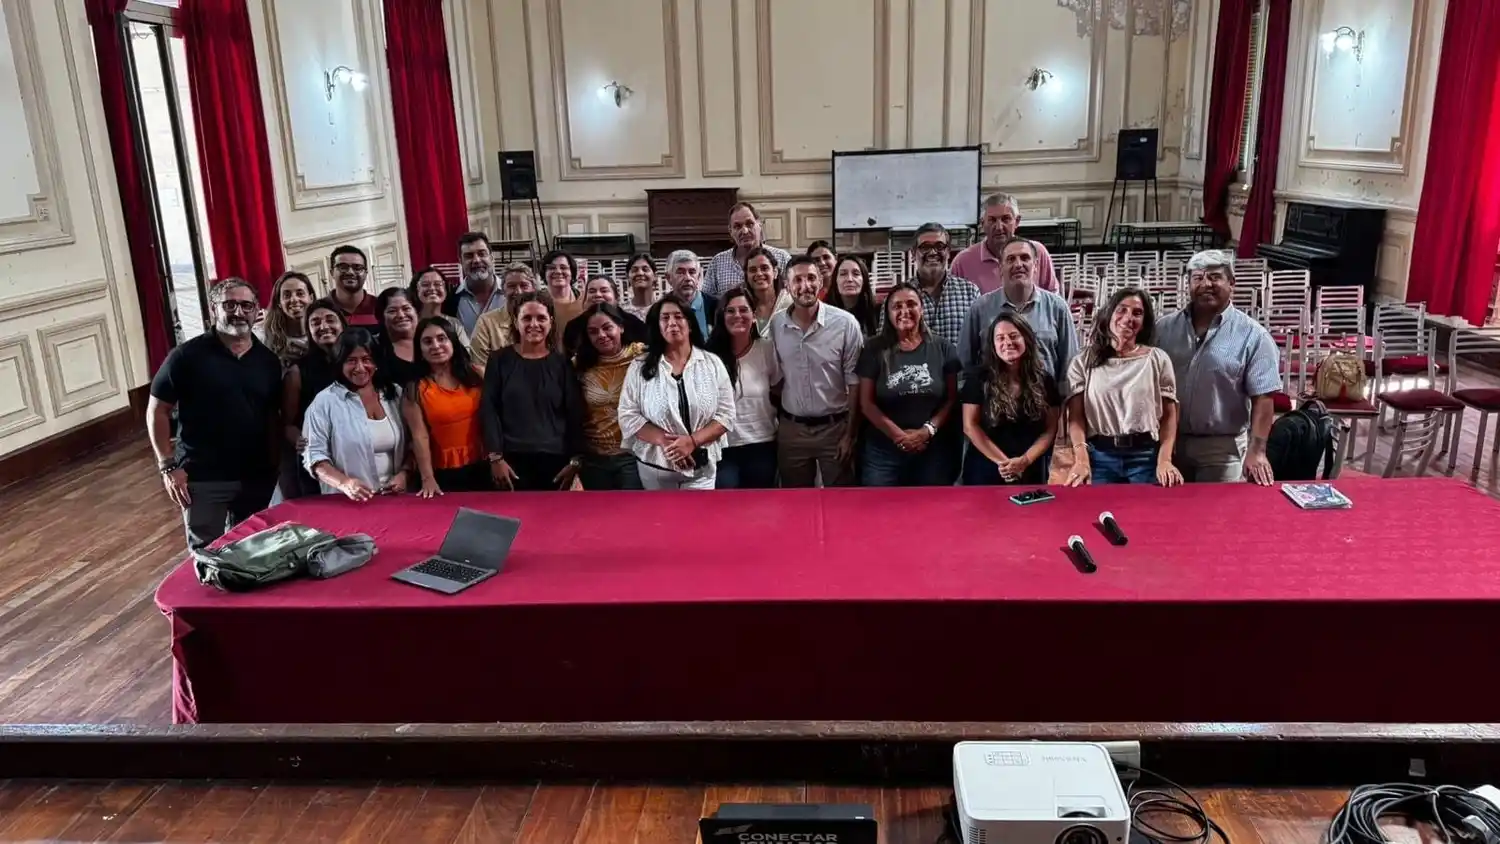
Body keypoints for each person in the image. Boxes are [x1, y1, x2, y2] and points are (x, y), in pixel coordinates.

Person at [147, 279, 282, 550]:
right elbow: (157, 410)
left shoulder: (268, 361)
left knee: (252, 550)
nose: (239, 312)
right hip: (203, 476)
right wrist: (168, 466)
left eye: (246, 305)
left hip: (255, 476)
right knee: (207, 554)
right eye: (229, 305)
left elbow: (271, 417)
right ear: (213, 309)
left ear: (257, 310)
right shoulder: (185, 357)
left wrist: (274, 468)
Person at [1156, 250, 1282, 485]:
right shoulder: (1163, 329)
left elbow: (1263, 399)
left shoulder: (1254, 336)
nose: (1206, 284)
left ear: (1231, 283)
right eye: (1198, 277)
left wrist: (1257, 451)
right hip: (1168, 444)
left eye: (1215, 277)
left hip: (1222, 450)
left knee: (1217, 509)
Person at [1064, 287, 1183, 487]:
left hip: (1146, 457)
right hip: (1099, 456)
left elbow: (1169, 416)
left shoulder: (1158, 359)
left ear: (1144, 322)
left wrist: (1165, 460)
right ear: (1109, 314)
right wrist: (1081, 460)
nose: (1128, 318)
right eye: (1122, 310)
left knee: (1149, 508)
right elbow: (1076, 418)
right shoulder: (1083, 362)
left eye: (1137, 313)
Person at [618, 296, 736, 490]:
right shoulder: (639, 366)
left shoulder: (712, 363)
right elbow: (628, 415)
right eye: (665, 318)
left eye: (678, 316)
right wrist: (669, 444)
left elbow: (726, 414)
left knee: (700, 511)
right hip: (655, 470)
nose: (672, 322)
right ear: (658, 327)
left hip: (701, 469)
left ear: (689, 324)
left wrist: (691, 442)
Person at [769, 255, 865, 487]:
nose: (806, 285)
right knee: (794, 499)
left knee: (841, 498)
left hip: (835, 428)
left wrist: (850, 434)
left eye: (811, 278)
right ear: (787, 285)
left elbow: (855, 383)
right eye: (798, 280)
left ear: (821, 281)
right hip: (793, 430)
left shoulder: (845, 323)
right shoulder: (777, 325)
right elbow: (775, 377)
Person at [856, 283, 961, 486]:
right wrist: (900, 437)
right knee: (879, 505)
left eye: (911, 304)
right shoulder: (873, 349)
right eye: (897, 306)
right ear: (888, 314)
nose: (905, 311)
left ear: (922, 309)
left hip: (932, 450)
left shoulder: (943, 348)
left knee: (932, 505)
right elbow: (866, 404)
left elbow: (951, 399)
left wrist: (927, 431)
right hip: (883, 452)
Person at [480, 291, 585, 491]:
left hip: (556, 461)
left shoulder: (562, 364)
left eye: (541, 318)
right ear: (516, 322)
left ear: (551, 321)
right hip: (509, 462)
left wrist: (575, 461)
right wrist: (495, 457)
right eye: (527, 318)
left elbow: (574, 413)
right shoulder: (499, 360)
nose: (534, 324)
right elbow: (489, 410)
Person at [303, 328, 408, 500]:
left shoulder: (395, 394)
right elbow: (314, 457)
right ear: (340, 364)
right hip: (346, 502)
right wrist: (345, 483)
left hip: (395, 500)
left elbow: (415, 443)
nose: (360, 368)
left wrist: (405, 474)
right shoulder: (324, 402)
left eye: (367, 359)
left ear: (376, 362)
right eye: (351, 361)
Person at [960, 236, 1079, 388]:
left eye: (1025, 258)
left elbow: (1070, 364)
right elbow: (965, 364)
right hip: (993, 399)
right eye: (1010, 259)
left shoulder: (1057, 308)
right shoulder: (979, 309)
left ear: (1035, 266)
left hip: (1046, 399)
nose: (1018, 264)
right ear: (1000, 268)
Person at [960, 312, 1061, 485]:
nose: (1007, 342)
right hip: (986, 468)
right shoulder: (978, 378)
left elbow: (1050, 429)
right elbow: (970, 426)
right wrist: (1005, 464)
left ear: (1026, 339)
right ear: (993, 345)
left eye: (1014, 336)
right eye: (1000, 338)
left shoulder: (1045, 380)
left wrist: (1025, 461)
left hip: (1030, 468)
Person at [403, 317, 489, 496]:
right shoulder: (414, 389)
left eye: (441, 338)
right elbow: (419, 437)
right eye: (428, 341)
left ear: (453, 342)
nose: (436, 346)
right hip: (442, 474)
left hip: (485, 465)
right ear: (420, 350)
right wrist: (427, 478)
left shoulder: (478, 374)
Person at [706, 287, 782, 488]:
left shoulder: (767, 349)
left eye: (743, 310)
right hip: (723, 446)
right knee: (727, 501)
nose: (737, 315)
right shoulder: (709, 356)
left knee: (760, 503)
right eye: (730, 311)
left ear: (754, 315)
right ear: (722, 316)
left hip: (762, 443)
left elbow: (778, 391)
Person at [277, 298, 346, 500]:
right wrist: (299, 440)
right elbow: (287, 423)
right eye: (315, 323)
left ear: (342, 324)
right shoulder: (298, 372)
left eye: (330, 320)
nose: (323, 327)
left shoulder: (358, 364)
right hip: (317, 463)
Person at [573, 304, 647, 490]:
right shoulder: (579, 365)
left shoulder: (642, 356)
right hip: (594, 459)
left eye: (607, 328)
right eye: (593, 332)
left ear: (620, 327)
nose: (601, 335)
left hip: (634, 455)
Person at [888, 223, 981, 349]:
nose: (933, 252)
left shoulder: (970, 292)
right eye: (925, 247)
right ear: (913, 253)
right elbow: (886, 347)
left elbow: (981, 342)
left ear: (948, 252)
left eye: (939, 246)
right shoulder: (896, 298)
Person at [950, 193, 1059, 294]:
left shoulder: (1037, 252)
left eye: (1005, 219)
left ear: (1017, 221)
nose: (999, 227)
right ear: (983, 224)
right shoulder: (963, 262)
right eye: (992, 220)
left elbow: (1053, 298)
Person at [703, 202, 792, 297]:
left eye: (750, 224)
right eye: (737, 226)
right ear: (730, 231)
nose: (744, 231)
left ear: (759, 225)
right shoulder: (718, 263)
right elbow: (706, 299)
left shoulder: (782, 258)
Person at [469, 262, 542, 370]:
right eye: (511, 286)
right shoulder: (486, 323)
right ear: (503, 290)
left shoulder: (544, 320)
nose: (518, 291)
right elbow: (479, 366)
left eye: (524, 285)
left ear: (533, 289)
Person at [562, 274, 646, 358]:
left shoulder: (634, 324)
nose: (598, 295)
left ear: (616, 297)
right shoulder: (573, 327)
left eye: (604, 290)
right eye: (592, 291)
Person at [451, 231, 504, 335]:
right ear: (460, 261)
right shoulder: (451, 301)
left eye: (481, 254)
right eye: (469, 256)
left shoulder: (511, 293)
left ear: (492, 258)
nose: (476, 260)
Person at [258, 271, 313, 365]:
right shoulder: (263, 337)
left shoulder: (321, 332)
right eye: (287, 295)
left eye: (300, 293)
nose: (294, 300)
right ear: (279, 303)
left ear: (311, 298)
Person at [375, 287, 424, 387]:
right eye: (392, 311)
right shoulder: (374, 347)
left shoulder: (433, 340)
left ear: (416, 312)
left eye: (406, 308)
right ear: (382, 316)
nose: (401, 315)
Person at [410, 266, 469, 347]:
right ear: (416, 291)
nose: (432, 288)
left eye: (437, 284)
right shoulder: (409, 323)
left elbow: (466, 353)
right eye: (425, 284)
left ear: (446, 290)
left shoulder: (454, 324)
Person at [822, 254, 879, 337]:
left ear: (864, 280)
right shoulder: (823, 314)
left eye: (856, 274)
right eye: (843, 274)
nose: (849, 279)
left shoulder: (877, 314)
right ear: (835, 280)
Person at [743, 245, 792, 337]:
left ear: (775, 272)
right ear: (746, 276)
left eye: (764, 268)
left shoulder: (791, 303)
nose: (759, 273)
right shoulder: (741, 305)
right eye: (753, 270)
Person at [327, 245, 378, 327]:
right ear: (332, 272)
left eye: (357, 267)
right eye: (343, 267)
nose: (350, 272)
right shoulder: (319, 311)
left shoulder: (381, 307)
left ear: (365, 273)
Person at [540, 249, 586, 330]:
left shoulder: (585, 300)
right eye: (552, 268)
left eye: (563, 267)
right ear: (544, 273)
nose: (558, 271)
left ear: (572, 272)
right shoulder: (537, 301)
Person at [621, 252, 661, 321]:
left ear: (655, 276)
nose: (640, 273)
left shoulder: (663, 309)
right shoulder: (621, 312)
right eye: (634, 270)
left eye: (645, 269)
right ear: (627, 276)